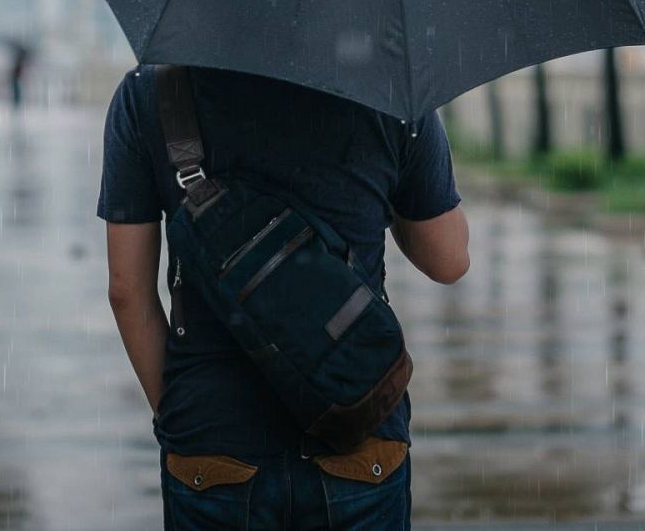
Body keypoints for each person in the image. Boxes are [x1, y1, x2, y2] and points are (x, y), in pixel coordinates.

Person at [100, 64, 470, 530]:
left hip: (212, 444)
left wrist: (183, 418)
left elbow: (127, 292)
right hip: (357, 430)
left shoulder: (151, 91)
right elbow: (449, 259)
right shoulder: (393, 88)